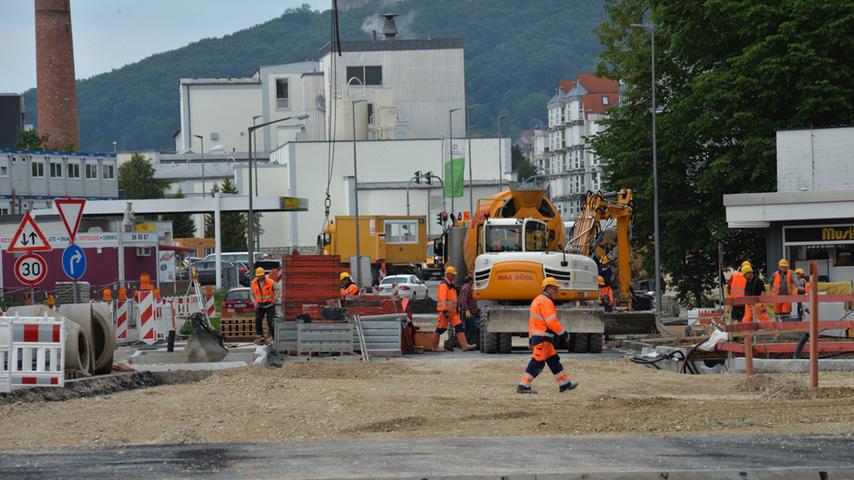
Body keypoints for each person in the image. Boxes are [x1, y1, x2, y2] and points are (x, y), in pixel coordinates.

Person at [517, 277, 578, 394]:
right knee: (537, 362)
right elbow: (552, 322)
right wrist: (564, 334)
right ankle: (523, 385)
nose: (557, 292)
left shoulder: (536, 300)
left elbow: (532, 323)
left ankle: (564, 384)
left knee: (554, 360)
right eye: (555, 289)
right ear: (548, 288)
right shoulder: (546, 302)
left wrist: (531, 340)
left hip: (540, 338)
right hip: (543, 338)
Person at [433, 266, 477, 352]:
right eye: (453, 275)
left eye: (454, 275)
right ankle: (434, 346)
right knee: (440, 328)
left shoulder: (450, 285)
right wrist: (444, 311)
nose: (454, 276)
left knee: (459, 326)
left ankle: (465, 346)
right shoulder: (444, 285)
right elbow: (442, 299)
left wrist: (456, 309)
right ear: (448, 274)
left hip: (452, 313)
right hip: (446, 312)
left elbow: (453, 299)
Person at [252, 267, 276, 343]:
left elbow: (278, 289)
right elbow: (251, 294)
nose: (260, 277)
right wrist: (254, 302)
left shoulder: (270, 282)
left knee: (270, 321)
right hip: (259, 305)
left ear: (264, 275)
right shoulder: (254, 283)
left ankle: (274, 337)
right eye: (258, 276)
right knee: (258, 320)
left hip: (269, 304)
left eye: (261, 275)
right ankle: (260, 336)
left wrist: (275, 299)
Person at [459, 275, 480, 344]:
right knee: (473, 327)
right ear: (470, 281)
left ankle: (464, 343)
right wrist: (467, 310)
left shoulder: (466, 287)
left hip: (469, 311)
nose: (473, 282)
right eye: (472, 281)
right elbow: (464, 301)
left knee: (467, 328)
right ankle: (466, 342)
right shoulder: (467, 288)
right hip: (469, 312)